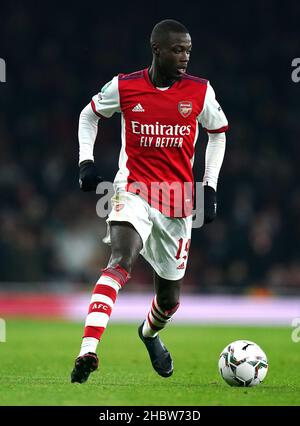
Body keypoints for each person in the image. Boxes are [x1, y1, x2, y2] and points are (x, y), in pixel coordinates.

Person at [71, 19, 228, 383]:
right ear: (157, 50)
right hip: (133, 190)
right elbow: (88, 115)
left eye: (188, 50)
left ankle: (148, 334)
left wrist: (210, 186)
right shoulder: (125, 87)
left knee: (170, 299)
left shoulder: (200, 92)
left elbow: (218, 134)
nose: (185, 56)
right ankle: (88, 350)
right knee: (120, 259)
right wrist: (86, 162)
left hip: (177, 202)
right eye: (177, 49)